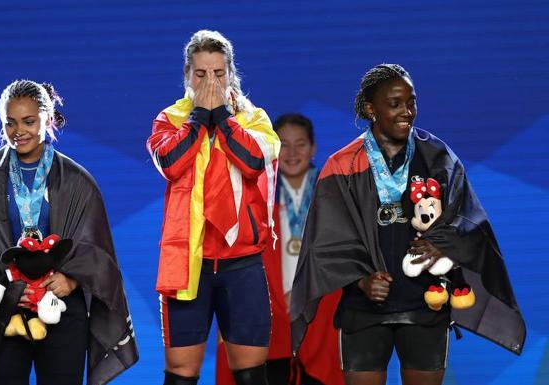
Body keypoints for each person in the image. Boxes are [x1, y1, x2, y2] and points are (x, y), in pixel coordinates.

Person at [290, 64, 525, 385]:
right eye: (395, 104)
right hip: (365, 308)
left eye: (411, 102)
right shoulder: (343, 164)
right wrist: (360, 279)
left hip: (426, 304)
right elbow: (326, 239)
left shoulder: (437, 156)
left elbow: (470, 219)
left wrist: (443, 242)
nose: (407, 112)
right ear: (371, 109)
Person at [0, 80, 138, 385]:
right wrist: (6, 287)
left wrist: (72, 280)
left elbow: (98, 254)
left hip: (61, 309)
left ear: (48, 120)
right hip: (6, 315)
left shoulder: (77, 180)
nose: (18, 131)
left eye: (29, 121)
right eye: (10, 122)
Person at [147, 30, 280, 385]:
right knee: (181, 373)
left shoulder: (255, 119)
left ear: (232, 74)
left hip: (243, 262)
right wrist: (198, 119)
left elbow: (253, 161)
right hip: (190, 265)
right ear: (187, 76)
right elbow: (171, 163)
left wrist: (221, 116)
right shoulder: (169, 121)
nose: (210, 81)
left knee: (251, 374)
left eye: (219, 73)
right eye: (201, 74)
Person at [216, 114, 344, 385]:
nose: (292, 153)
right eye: (283, 144)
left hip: (320, 311)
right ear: (272, 147)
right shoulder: (254, 194)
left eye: (301, 144)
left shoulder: (333, 196)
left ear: (314, 148)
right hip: (268, 310)